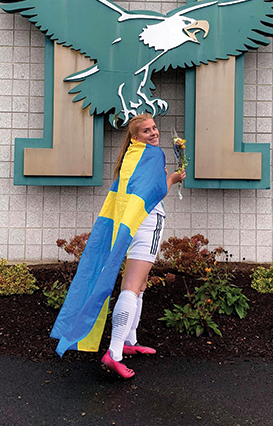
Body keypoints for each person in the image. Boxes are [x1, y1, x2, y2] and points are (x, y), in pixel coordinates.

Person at [101, 113, 185, 378]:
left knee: (139, 285)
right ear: (136, 137)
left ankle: (130, 341)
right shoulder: (153, 155)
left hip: (133, 223)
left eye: (155, 128)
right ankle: (114, 352)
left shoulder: (131, 157)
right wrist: (172, 179)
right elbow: (157, 191)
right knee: (132, 287)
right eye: (147, 131)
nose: (154, 133)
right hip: (149, 223)